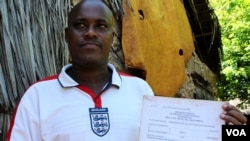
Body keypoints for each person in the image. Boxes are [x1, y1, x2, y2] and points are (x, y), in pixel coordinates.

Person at [6, 0, 247, 140]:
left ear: (112, 37)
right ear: (67, 36)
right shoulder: (37, 97)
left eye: (101, 26)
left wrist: (232, 133)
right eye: (80, 25)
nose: (90, 32)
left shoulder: (140, 90)